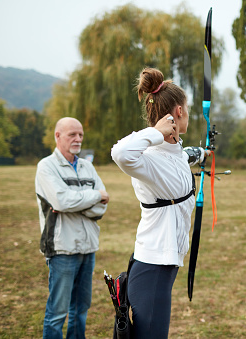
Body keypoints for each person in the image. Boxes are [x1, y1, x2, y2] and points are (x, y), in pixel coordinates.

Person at [111, 67, 207, 338]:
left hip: (163, 263)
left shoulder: (173, 152)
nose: (188, 113)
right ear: (178, 111)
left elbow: (184, 155)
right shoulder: (149, 157)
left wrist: (203, 152)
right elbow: (119, 153)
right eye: (186, 108)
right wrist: (155, 131)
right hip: (152, 266)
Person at [35, 117, 109, 339]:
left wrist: (77, 202)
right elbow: (61, 201)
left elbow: (101, 209)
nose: (78, 139)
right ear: (58, 136)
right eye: (72, 134)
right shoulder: (46, 166)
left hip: (88, 248)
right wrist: (95, 196)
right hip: (62, 249)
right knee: (57, 314)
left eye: (80, 135)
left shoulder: (88, 166)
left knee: (80, 311)